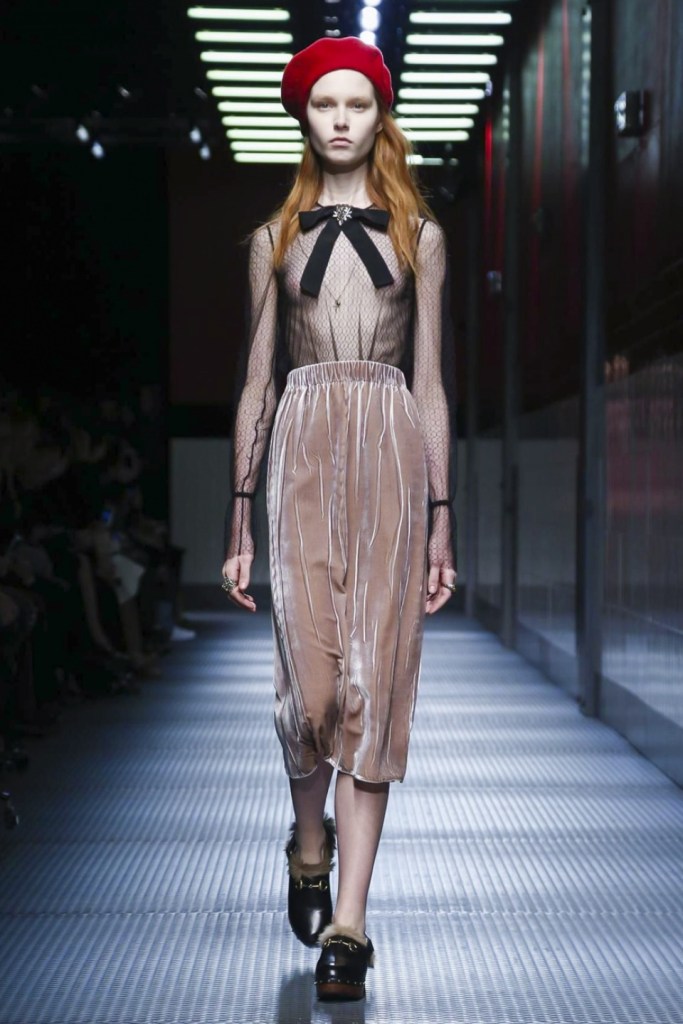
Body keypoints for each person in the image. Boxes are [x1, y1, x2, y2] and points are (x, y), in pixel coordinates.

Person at [221, 36, 458, 1001]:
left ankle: (350, 925)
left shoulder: (420, 236)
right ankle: (308, 841)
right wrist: (239, 517)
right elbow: (257, 380)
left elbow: (430, 384)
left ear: (379, 116)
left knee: (374, 688)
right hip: (303, 448)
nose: (342, 120)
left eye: (358, 104)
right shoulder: (271, 240)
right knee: (309, 691)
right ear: (304, 118)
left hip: (391, 446)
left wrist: (442, 518)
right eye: (325, 105)